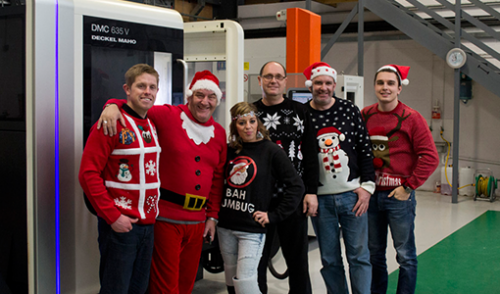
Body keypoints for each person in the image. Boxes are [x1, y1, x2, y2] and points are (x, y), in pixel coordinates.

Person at [97, 70, 227, 294]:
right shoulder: (167, 115)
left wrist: (212, 216)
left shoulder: (220, 134)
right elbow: (136, 106)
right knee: (164, 287)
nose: (205, 102)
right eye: (199, 95)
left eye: (211, 96)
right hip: (166, 217)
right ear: (189, 96)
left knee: (186, 284)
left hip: (197, 223)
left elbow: (217, 178)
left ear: (217, 99)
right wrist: (112, 104)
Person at [79, 64, 161, 294]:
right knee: (115, 289)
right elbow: (88, 174)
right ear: (127, 89)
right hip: (121, 225)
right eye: (141, 86)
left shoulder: (151, 123)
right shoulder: (110, 124)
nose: (147, 91)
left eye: (152, 87)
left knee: (138, 288)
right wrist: (113, 216)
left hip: (148, 226)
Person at [362, 64, 439, 294]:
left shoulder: (411, 118)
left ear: (399, 88)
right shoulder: (365, 115)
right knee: (374, 253)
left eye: (390, 83)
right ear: (375, 86)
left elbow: (430, 156)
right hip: (370, 196)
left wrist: (409, 186)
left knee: (405, 255)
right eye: (380, 83)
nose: (385, 87)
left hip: (398, 198)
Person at [302, 61, 375, 294]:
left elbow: (364, 149)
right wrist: (308, 192)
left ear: (334, 85)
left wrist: (367, 186)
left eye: (327, 83)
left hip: (352, 197)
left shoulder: (349, 110)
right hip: (320, 201)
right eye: (318, 83)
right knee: (330, 259)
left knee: (359, 256)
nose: (323, 87)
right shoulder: (302, 114)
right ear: (310, 85)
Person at [218, 102, 304, 294]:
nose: (247, 127)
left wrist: (273, 215)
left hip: (251, 229)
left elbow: (296, 186)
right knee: (231, 279)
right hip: (225, 226)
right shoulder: (229, 150)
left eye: (251, 121)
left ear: (258, 123)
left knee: (245, 281)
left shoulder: (271, 150)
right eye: (241, 123)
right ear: (234, 126)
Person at [253, 61, 319, 294]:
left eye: (278, 76)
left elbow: (311, 153)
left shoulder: (301, 112)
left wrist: (311, 191)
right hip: (259, 199)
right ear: (260, 80)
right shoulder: (250, 113)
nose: (273, 81)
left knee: (298, 260)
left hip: (293, 198)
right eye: (268, 76)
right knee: (256, 260)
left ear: (285, 81)